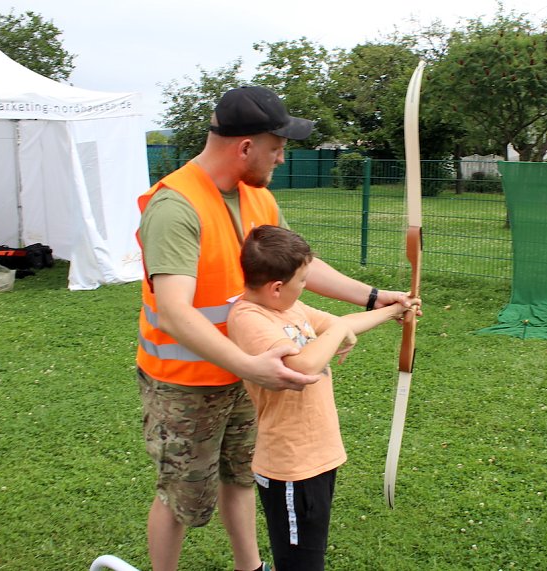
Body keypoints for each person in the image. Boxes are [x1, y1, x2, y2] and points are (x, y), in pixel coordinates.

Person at [136, 86, 415, 571]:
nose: (283, 158)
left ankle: (251, 568)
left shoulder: (256, 197)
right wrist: (250, 365)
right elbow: (175, 311)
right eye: (277, 146)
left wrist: (372, 296)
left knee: (242, 477)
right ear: (245, 147)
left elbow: (301, 265)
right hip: (187, 384)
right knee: (183, 496)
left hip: (251, 370)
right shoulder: (175, 206)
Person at [227, 225, 417, 571]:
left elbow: (339, 323)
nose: (305, 287)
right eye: (302, 280)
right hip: (289, 467)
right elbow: (302, 366)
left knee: (310, 555)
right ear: (276, 288)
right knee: (300, 564)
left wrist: (394, 310)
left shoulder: (290, 308)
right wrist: (340, 330)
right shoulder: (249, 319)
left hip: (317, 457)